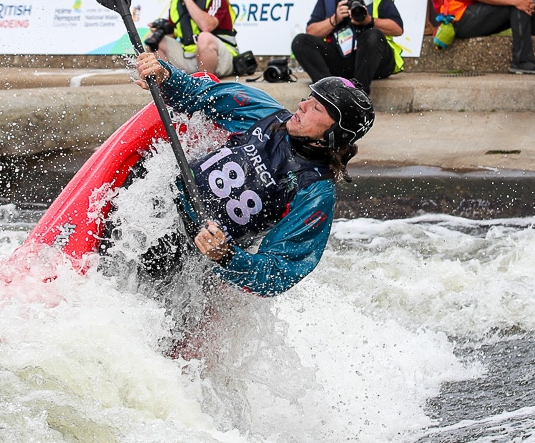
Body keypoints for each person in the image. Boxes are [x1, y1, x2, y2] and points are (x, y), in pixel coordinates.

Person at [131, 51, 374, 297]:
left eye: (316, 108)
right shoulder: (264, 113)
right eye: (309, 97)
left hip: (193, 255)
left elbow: (279, 272)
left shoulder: (315, 192)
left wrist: (227, 256)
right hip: (160, 205)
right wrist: (165, 74)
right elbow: (199, 94)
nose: (302, 105)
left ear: (333, 135)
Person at [291, 0, 404, 93]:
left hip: (375, 61)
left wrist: (369, 21)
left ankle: (359, 94)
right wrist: (334, 19)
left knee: (373, 35)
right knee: (300, 42)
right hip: (342, 57)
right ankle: (328, 92)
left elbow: (397, 28)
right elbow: (311, 31)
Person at [147, 0, 239, 77]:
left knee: (204, 37)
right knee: (153, 39)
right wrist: (160, 29)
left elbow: (207, 26)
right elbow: (174, 33)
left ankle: (205, 83)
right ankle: (167, 82)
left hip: (222, 58)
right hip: (190, 56)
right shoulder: (176, 1)